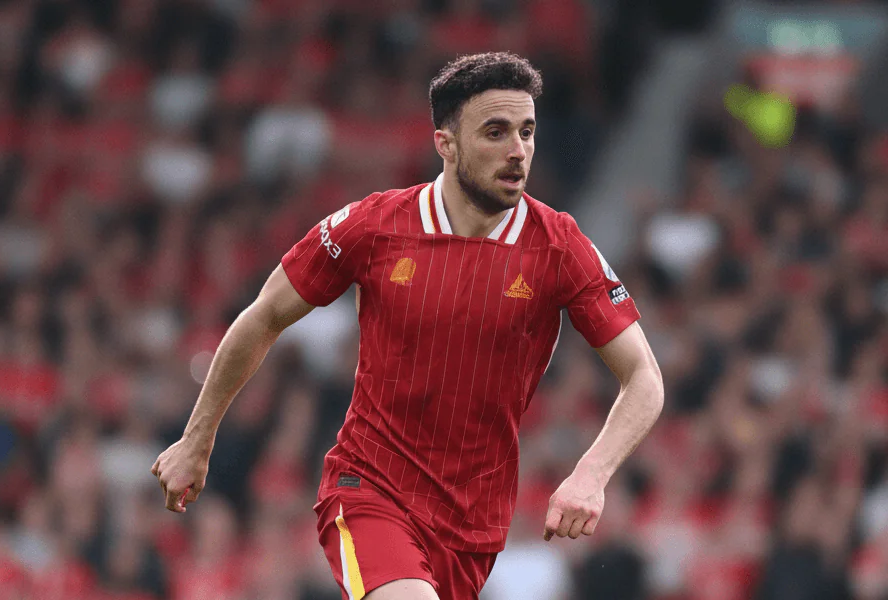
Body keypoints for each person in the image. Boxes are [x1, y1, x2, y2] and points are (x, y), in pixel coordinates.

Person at [151, 52, 664, 600]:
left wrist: (591, 473)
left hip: (473, 525)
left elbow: (644, 377)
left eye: (527, 132)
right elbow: (264, 316)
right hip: (369, 489)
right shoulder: (373, 226)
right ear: (445, 143)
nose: (518, 151)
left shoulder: (560, 246)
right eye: (495, 132)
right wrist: (196, 438)